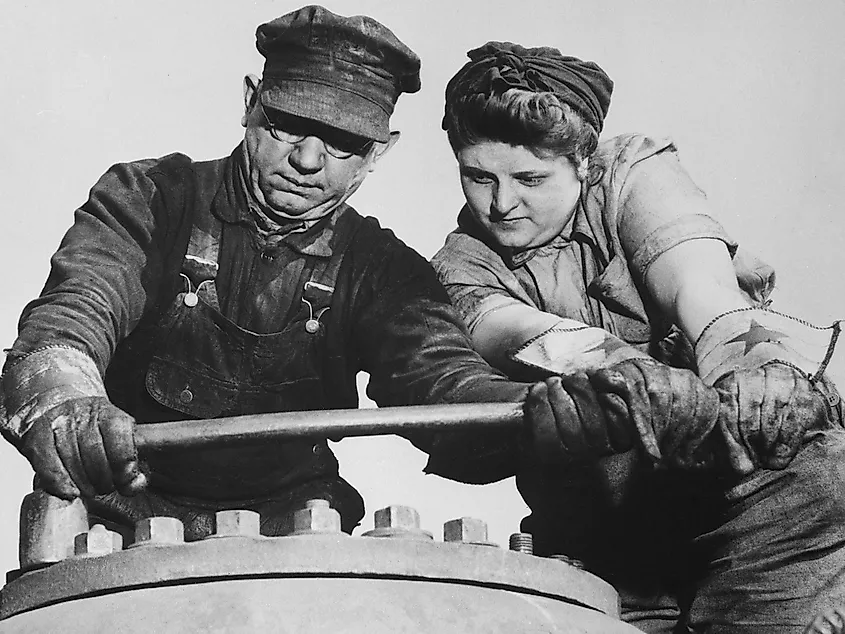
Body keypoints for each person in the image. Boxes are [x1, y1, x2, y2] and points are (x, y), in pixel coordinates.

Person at [0, 7, 645, 545]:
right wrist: (64, 399)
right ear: (251, 104)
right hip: (118, 524)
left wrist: (535, 412)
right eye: (287, 126)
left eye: (341, 144)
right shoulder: (148, 199)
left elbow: (445, 385)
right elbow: (73, 316)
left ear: (380, 151)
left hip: (295, 534)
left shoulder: (385, 272)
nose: (308, 161)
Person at [431, 41, 845, 633]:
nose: (501, 204)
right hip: (609, 535)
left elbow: (706, 295)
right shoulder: (458, 264)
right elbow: (521, 331)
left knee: (819, 474)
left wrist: (760, 367)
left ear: (584, 163)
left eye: (530, 178)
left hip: (742, 497)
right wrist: (626, 369)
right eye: (478, 176)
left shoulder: (633, 173)